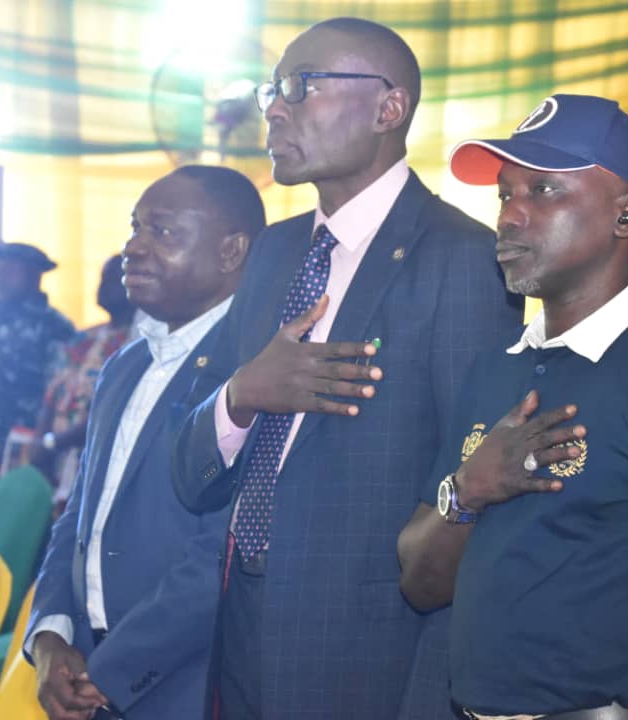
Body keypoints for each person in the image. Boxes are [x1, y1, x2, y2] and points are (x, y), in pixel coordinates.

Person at [171, 17, 522, 720]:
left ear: (388, 109)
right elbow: (190, 477)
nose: (273, 107)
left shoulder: (462, 259)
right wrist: (242, 398)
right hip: (240, 624)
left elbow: (472, 498)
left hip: (372, 651)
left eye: (301, 87)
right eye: (274, 89)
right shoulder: (272, 255)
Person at [398, 94, 628, 720]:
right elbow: (421, 583)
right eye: (504, 194)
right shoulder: (496, 369)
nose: (510, 217)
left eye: (542, 192)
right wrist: (468, 490)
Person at [25, 165, 265, 720]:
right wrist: (52, 637)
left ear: (231, 252)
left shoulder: (253, 372)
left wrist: (107, 672)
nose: (134, 247)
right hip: (85, 667)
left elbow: (218, 555)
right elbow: (78, 517)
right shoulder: (124, 366)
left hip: (183, 685)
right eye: (135, 228)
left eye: (163, 232)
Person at [0, 242, 75, 491]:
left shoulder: (55, 326)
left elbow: (61, 388)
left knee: (18, 510)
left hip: (25, 440)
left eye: (8, 271)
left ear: (33, 274)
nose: (0, 279)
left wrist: (43, 440)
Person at [31, 254, 136, 506]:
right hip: (53, 462)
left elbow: (113, 413)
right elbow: (52, 392)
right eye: (102, 278)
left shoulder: (137, 344)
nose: (103, 286)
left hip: (94, 465)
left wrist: (53, 443)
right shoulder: (84, 338)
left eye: (113, 278)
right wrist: (42, 442)